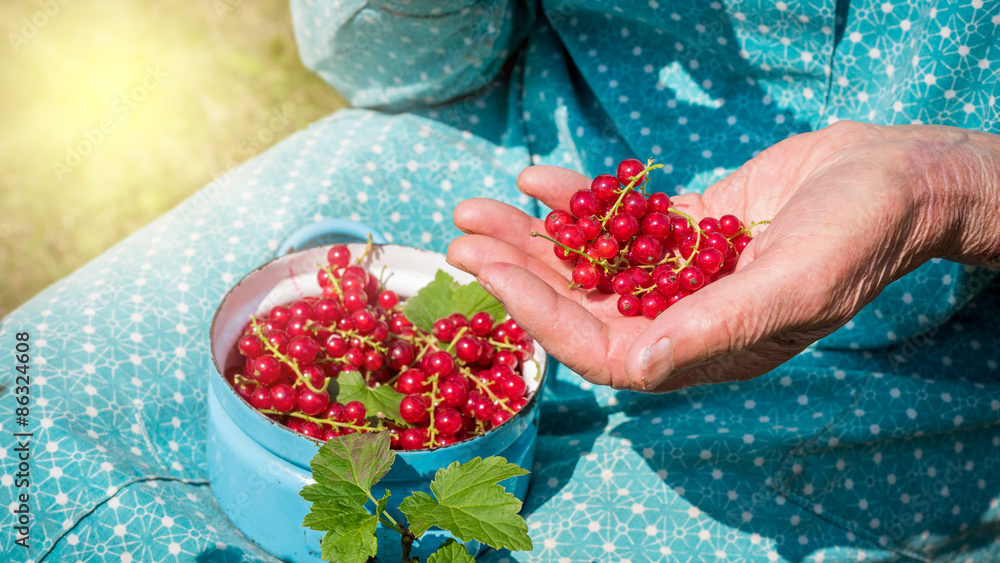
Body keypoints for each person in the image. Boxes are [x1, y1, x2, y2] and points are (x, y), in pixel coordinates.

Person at [2, 1, 999, 562]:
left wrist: (948, 185)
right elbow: (409, 60)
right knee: (28, 407)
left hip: (928, 373)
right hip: (516, 153)